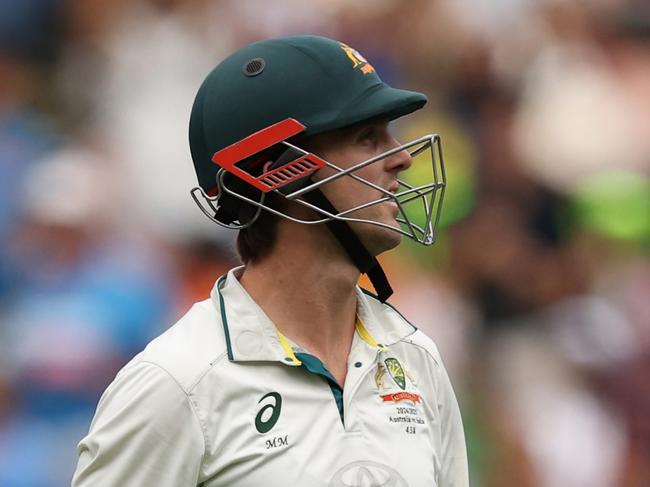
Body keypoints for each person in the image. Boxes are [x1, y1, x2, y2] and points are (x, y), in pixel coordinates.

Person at [72, 35, 469, 487]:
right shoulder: (178, 382)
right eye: (367, 138)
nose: (400, 158)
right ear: (279, 170)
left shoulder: (416, 358)